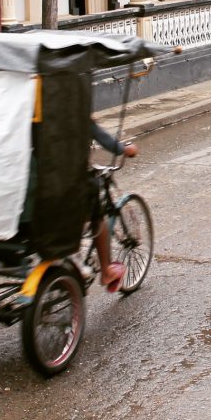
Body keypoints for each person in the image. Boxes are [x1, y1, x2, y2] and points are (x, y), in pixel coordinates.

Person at [89, 122, 137, 292]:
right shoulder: (72, 106)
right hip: (70, 180)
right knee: (96, 217)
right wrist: (123, 149)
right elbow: (99, 134)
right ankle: (106, 271)